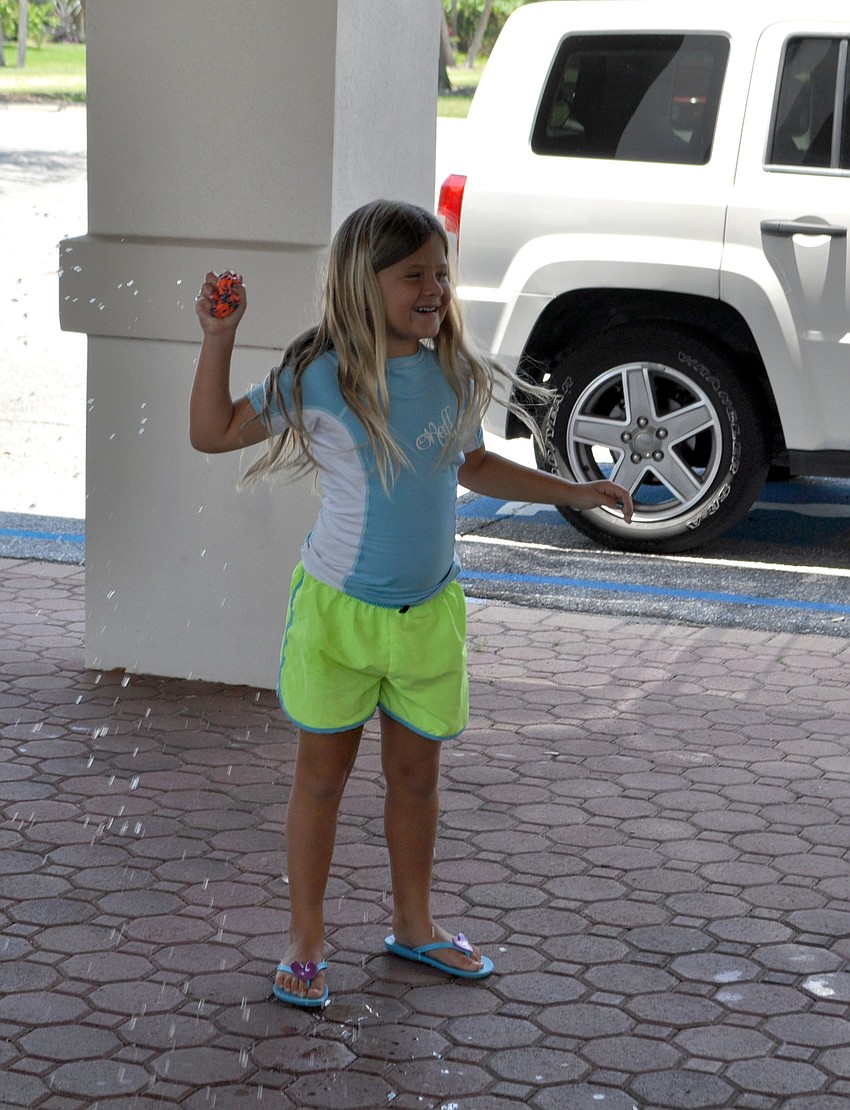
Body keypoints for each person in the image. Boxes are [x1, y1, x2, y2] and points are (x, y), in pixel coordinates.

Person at [190, 199, 633, 1009]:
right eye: (413, 275)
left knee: (417, 781)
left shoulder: (453, 370)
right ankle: (306, 938)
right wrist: (219, 339)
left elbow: (476, 468)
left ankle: (415, 925)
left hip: (428, 615)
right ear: (367, 284)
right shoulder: (318, 376)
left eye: (440, 272)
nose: (434, 288)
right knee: (321, 782)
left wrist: (572, 488)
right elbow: (213, 432)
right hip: (338, 618)